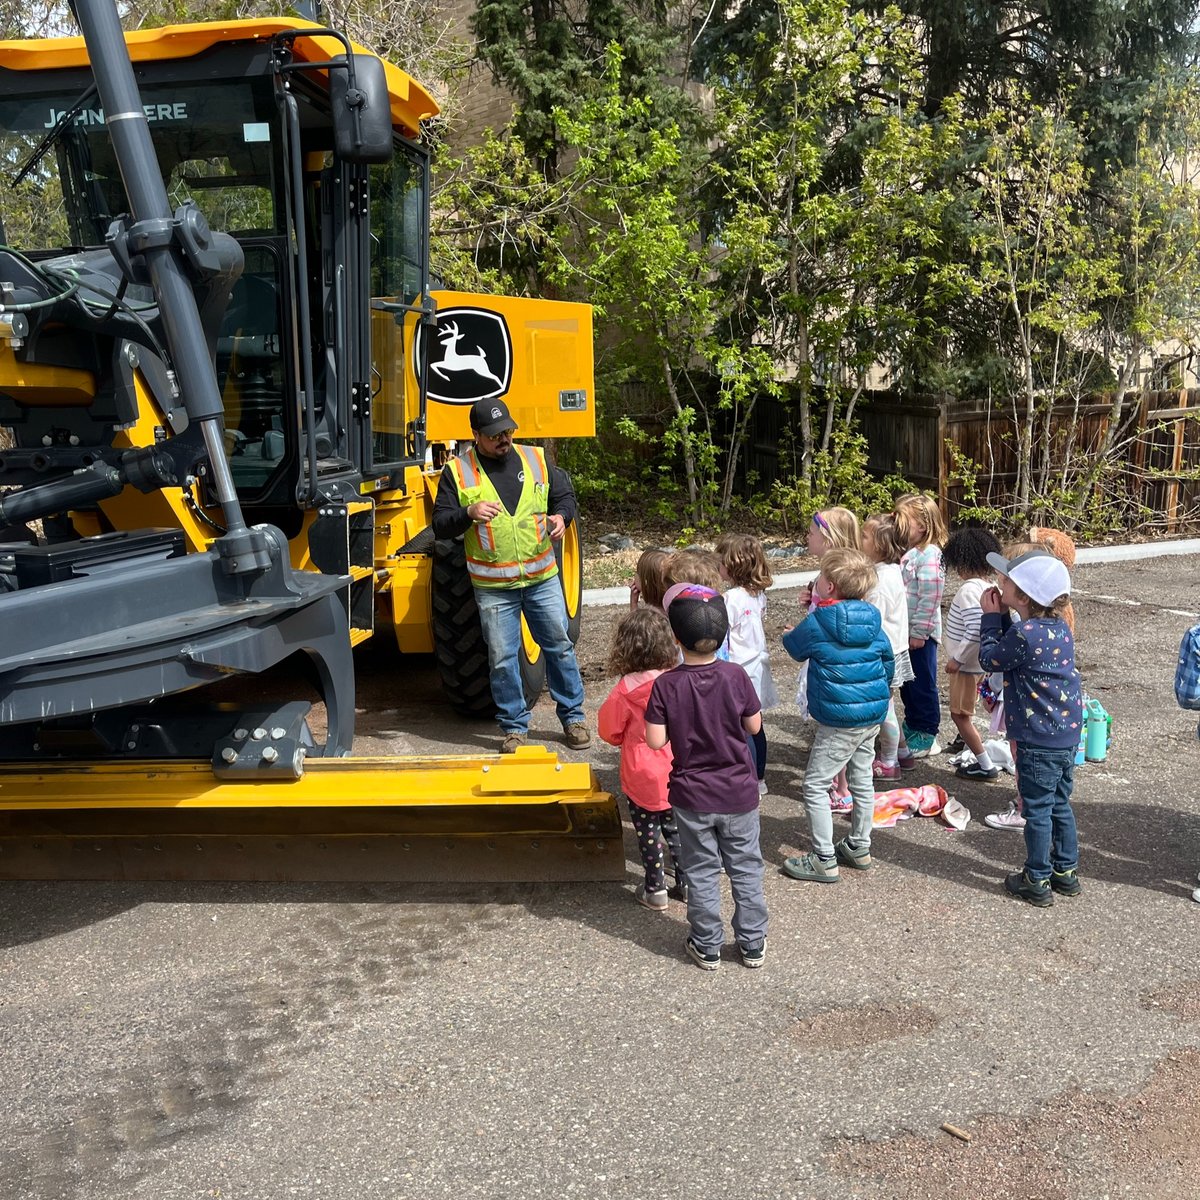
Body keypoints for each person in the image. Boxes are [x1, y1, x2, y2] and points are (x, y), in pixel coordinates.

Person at [432, 397, 590, 754]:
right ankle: (515, 727)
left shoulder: (535, 459)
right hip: (494, 588)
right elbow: (440, 525)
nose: (504, 438)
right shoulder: (457, 472)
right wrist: (468, 511)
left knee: (559, 648)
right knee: (502, 659)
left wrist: (561, 518)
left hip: (541, 578)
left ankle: (574, 718)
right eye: (494, 434)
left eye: (507, 431)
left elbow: (565, 496)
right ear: (476, 435)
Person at [644, 585, 767, 970]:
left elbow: (655, 740)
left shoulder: (666, 685)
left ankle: (707, 943)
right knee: (746, 867)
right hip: (738, 792)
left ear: (676, 638)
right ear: (725, 633)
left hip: (692, 794)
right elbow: (754, 725)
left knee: (701, 870)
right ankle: (751, 943)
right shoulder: (735, 676)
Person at [780, 548, 894, 884]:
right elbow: (887, 661)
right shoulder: (873, 619)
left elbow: (795, 648)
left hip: (837, 717)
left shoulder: (819, 621)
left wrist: (789, 632)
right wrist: (879, 691)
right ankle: (859, 844)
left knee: (815, 783)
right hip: (871, 714)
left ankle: (824, 858)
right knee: (862, 778)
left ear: (829, 587)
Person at [979, 549, 1084, 906]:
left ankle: (1036, 878)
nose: (999, 582)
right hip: (1065, 735)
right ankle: (1065, 872)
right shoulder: (1057, 630)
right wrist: (1007, 617)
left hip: (1037, 739)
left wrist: (991, 618)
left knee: (1036, 809)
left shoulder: (1024, 635)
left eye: (1006, 580)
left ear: (1023, 597)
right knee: (1059, 803)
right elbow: (1019, 645)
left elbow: (990, 657)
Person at [598, 608, 687, 909]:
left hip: (640, 771)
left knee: (648, 833)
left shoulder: (625, 690)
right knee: (678, 830)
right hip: (677, 767)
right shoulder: (677, 680)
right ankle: (687, 884)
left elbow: (609, 730)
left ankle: (655, 888)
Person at [798, 507, 861, 810]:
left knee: (833, 729)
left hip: (831, 661)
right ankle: (842, 785)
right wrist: (809, 601)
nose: (807, 538)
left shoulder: (835, 576)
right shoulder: (835, 573)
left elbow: (833, 618)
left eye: (811, 533)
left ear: (827, 538)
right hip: (829, 655)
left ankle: (841, 788)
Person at [716, 533, 780, 795]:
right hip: (757, 664)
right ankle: (759, 777)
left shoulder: (730, 599)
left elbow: (722, 632)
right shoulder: (757, 594)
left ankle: (747, 776)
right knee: (756, 724)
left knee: (741, 727)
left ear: (731, 566)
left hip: (738, 669)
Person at [943, 527, 1005, 781]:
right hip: (978, 664)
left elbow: (975, 629)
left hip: (967, 666)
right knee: (966, 711)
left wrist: (956, 659)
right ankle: (972, 748)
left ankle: (984, 763)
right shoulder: (989, 586)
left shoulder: (969, 590)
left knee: (959, 714)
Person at [893, 492, 947, 763]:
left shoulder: (930, 555)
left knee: (922, 683)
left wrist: (919, 632)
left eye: (903, 521)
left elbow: (931, 595)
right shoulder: (908, 552)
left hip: (921, 635)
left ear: (922, 526)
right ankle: (913, 724)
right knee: (907, 684)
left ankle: (927, 733)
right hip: (907, 632)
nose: (897, 527)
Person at [861, 513, 914, 782]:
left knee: (884, 710)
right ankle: (902, 752)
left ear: (881, 545)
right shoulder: (891, 571)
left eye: (865, 536)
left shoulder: (880, 582)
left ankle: (889, 762)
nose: (860, 539)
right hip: (895, 650)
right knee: (889, 705)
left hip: (884, 654)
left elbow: (871, 622)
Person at [628, 548, 671, 612]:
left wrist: (633, 604)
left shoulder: (653, 614)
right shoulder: (670, 605)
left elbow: (635, 622)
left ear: (645, 582)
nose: (634, 575)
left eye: (637, 572)